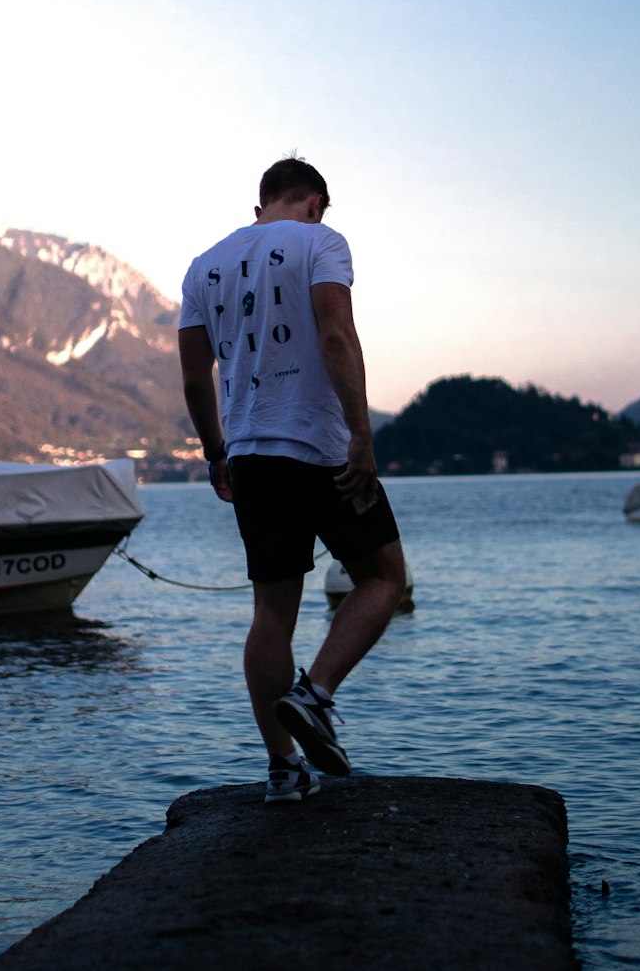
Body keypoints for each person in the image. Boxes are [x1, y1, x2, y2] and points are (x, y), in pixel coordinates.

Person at [178, 156, 406, 804]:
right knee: (384, 577)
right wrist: (362, 434)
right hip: (322, 447)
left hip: (251, 456)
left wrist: (216, 453)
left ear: (260, 207)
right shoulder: (321, 242)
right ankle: (316, 693)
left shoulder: (204, 266)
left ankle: (283, 770)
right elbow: (336, 337)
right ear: (314, 204)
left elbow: (197, 380)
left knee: (270, 617)